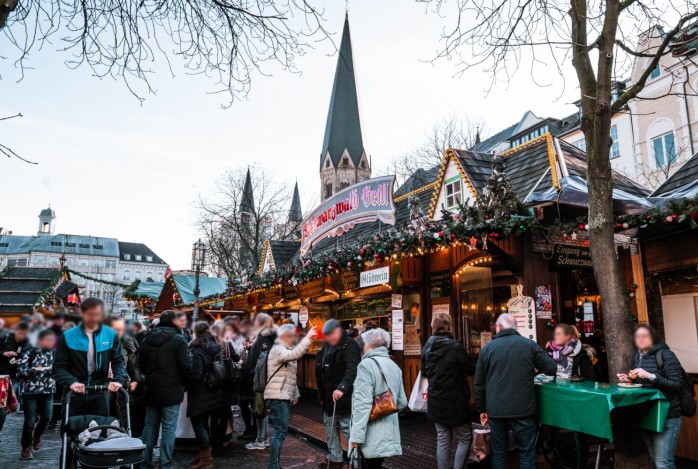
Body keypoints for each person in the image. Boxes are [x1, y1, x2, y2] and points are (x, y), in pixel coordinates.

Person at [475, 313, 557, 469]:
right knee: (526, 453)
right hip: (523, 409)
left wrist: (482, 409)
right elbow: (552, 368)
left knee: (498, 453)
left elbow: (479, 383)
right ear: (516, 328)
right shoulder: (529, 345)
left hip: (496, 409)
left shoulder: (487, 349)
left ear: (498, 328)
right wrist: (533, 371)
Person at [618, 325, 685, 469]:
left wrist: (651, 376)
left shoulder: (666, 354)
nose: (640, 339)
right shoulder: (637, 355)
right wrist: (629, 380)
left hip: (667, 415)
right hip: (646, 414)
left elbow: (677, 385)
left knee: (663, 464)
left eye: (645, 336)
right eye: (637, 336)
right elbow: (640, 383)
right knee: (656, 461)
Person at [53, 297, 126, 417]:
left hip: (100, 391)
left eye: (97, 315)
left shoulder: (111, 335)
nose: (94, 318)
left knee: (100, 429)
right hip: (74, 393)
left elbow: (119, 361)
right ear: (82, 314)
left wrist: (118, 380)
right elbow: (58, 368)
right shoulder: (68, 336)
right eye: (90, 315)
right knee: (72, 429)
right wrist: (72, 382)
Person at [139, 310, 194, 469]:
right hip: (172, 389)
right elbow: (186, 366)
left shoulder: (147, 338)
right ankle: (165, 464)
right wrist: (185, 385)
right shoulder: (179, 340)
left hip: (151, 389)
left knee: (149, 427)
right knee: (169, 428)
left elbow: (140, 363)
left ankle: (145, 461)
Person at [421, 312, 476, 469]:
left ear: (434, 327)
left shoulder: (427, 347)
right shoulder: (455, 347)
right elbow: (470, 368)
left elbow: (424, 372)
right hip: (456, 400)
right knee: (464, 437)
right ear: (449, 326)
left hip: (436, 400)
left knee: (442, 438)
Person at [349, 328, 407, 469]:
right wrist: (385, 408)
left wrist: (356, 437)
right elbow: (402, 402)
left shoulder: (365, 366)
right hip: (389, 434)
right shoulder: (394, 366)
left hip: (370, 435)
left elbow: (362, 405)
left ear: (369, 345)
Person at [265, 324, 318, 469]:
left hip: (282, 396)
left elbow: (289, 375)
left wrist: (295, 393)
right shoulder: (278, 349)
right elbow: (294, 355)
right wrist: (307, 338)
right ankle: (273, 466)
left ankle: (275, 465)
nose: (294, 339)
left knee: (280, 433)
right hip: (277, 397)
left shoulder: (284, 348)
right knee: (279, 433)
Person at [545, 324, 597, 469]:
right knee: (552, 428)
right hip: (556, 399)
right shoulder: (551, 352)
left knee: (578, 435)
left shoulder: (582, 355)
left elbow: (590, 380)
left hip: (575, 401)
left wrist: (576, 383)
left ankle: (581, 464)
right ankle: (557, 454)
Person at [315, 318, 361, 468]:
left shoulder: (350, 345)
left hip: (345, 398)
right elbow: (321, 370)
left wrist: (342, 388)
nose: (328, 339)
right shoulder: (327, 345)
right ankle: (335, 460)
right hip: (328, 398)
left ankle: (355, 462)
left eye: (331, 335)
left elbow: (352, 369)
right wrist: (321, 395)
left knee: (348, 430)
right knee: (330, 431)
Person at [187, 321, 222, 469]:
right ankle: (204, 455)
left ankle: (206, 460)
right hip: (212, 391)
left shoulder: (197, 350)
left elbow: (196, 374)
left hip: (199, 393)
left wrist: (186, 382)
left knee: (199, 425)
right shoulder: (215, 346)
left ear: (195, 332)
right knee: (204, 424)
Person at [17, 329, 56, 460]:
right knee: (29, 421)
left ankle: (38, 435)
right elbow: (19, 372)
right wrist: (31, 370)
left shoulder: (55, 353)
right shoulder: (30, 351)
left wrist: (56, 370)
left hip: (48, 389)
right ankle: (26, 448)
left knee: (46, 417)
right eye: (48, 340)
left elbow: (61, 369)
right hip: (30, 390)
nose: (50, 342)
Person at [243, 313, 277, 449]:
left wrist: (254, 379)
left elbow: (260, 364)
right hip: (265, 381)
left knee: (259, 410)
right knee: (262, 410)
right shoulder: (269, 339)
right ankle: (265, 438)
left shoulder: (263, 341)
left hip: (260, 382)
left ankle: (261, 439)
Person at [110, 317, 145, 436]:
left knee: (124, 412)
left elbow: (134, 364)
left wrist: (136, 379)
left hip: (122, 383)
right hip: (103, 384)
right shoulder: (101, 341)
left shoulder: (127, 342)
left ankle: (124, 437)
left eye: (120, 329)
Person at [0, 321, 32, 406]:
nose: (21, 336)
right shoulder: (4, 338)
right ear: (15, 330)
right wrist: (3, 353)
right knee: (2, 399)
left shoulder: (28, 343)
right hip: (2, 372)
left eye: (24, 334)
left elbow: (27, 357)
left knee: (13, 399)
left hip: (16, 374)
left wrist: (21, 362)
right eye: (20, 333)